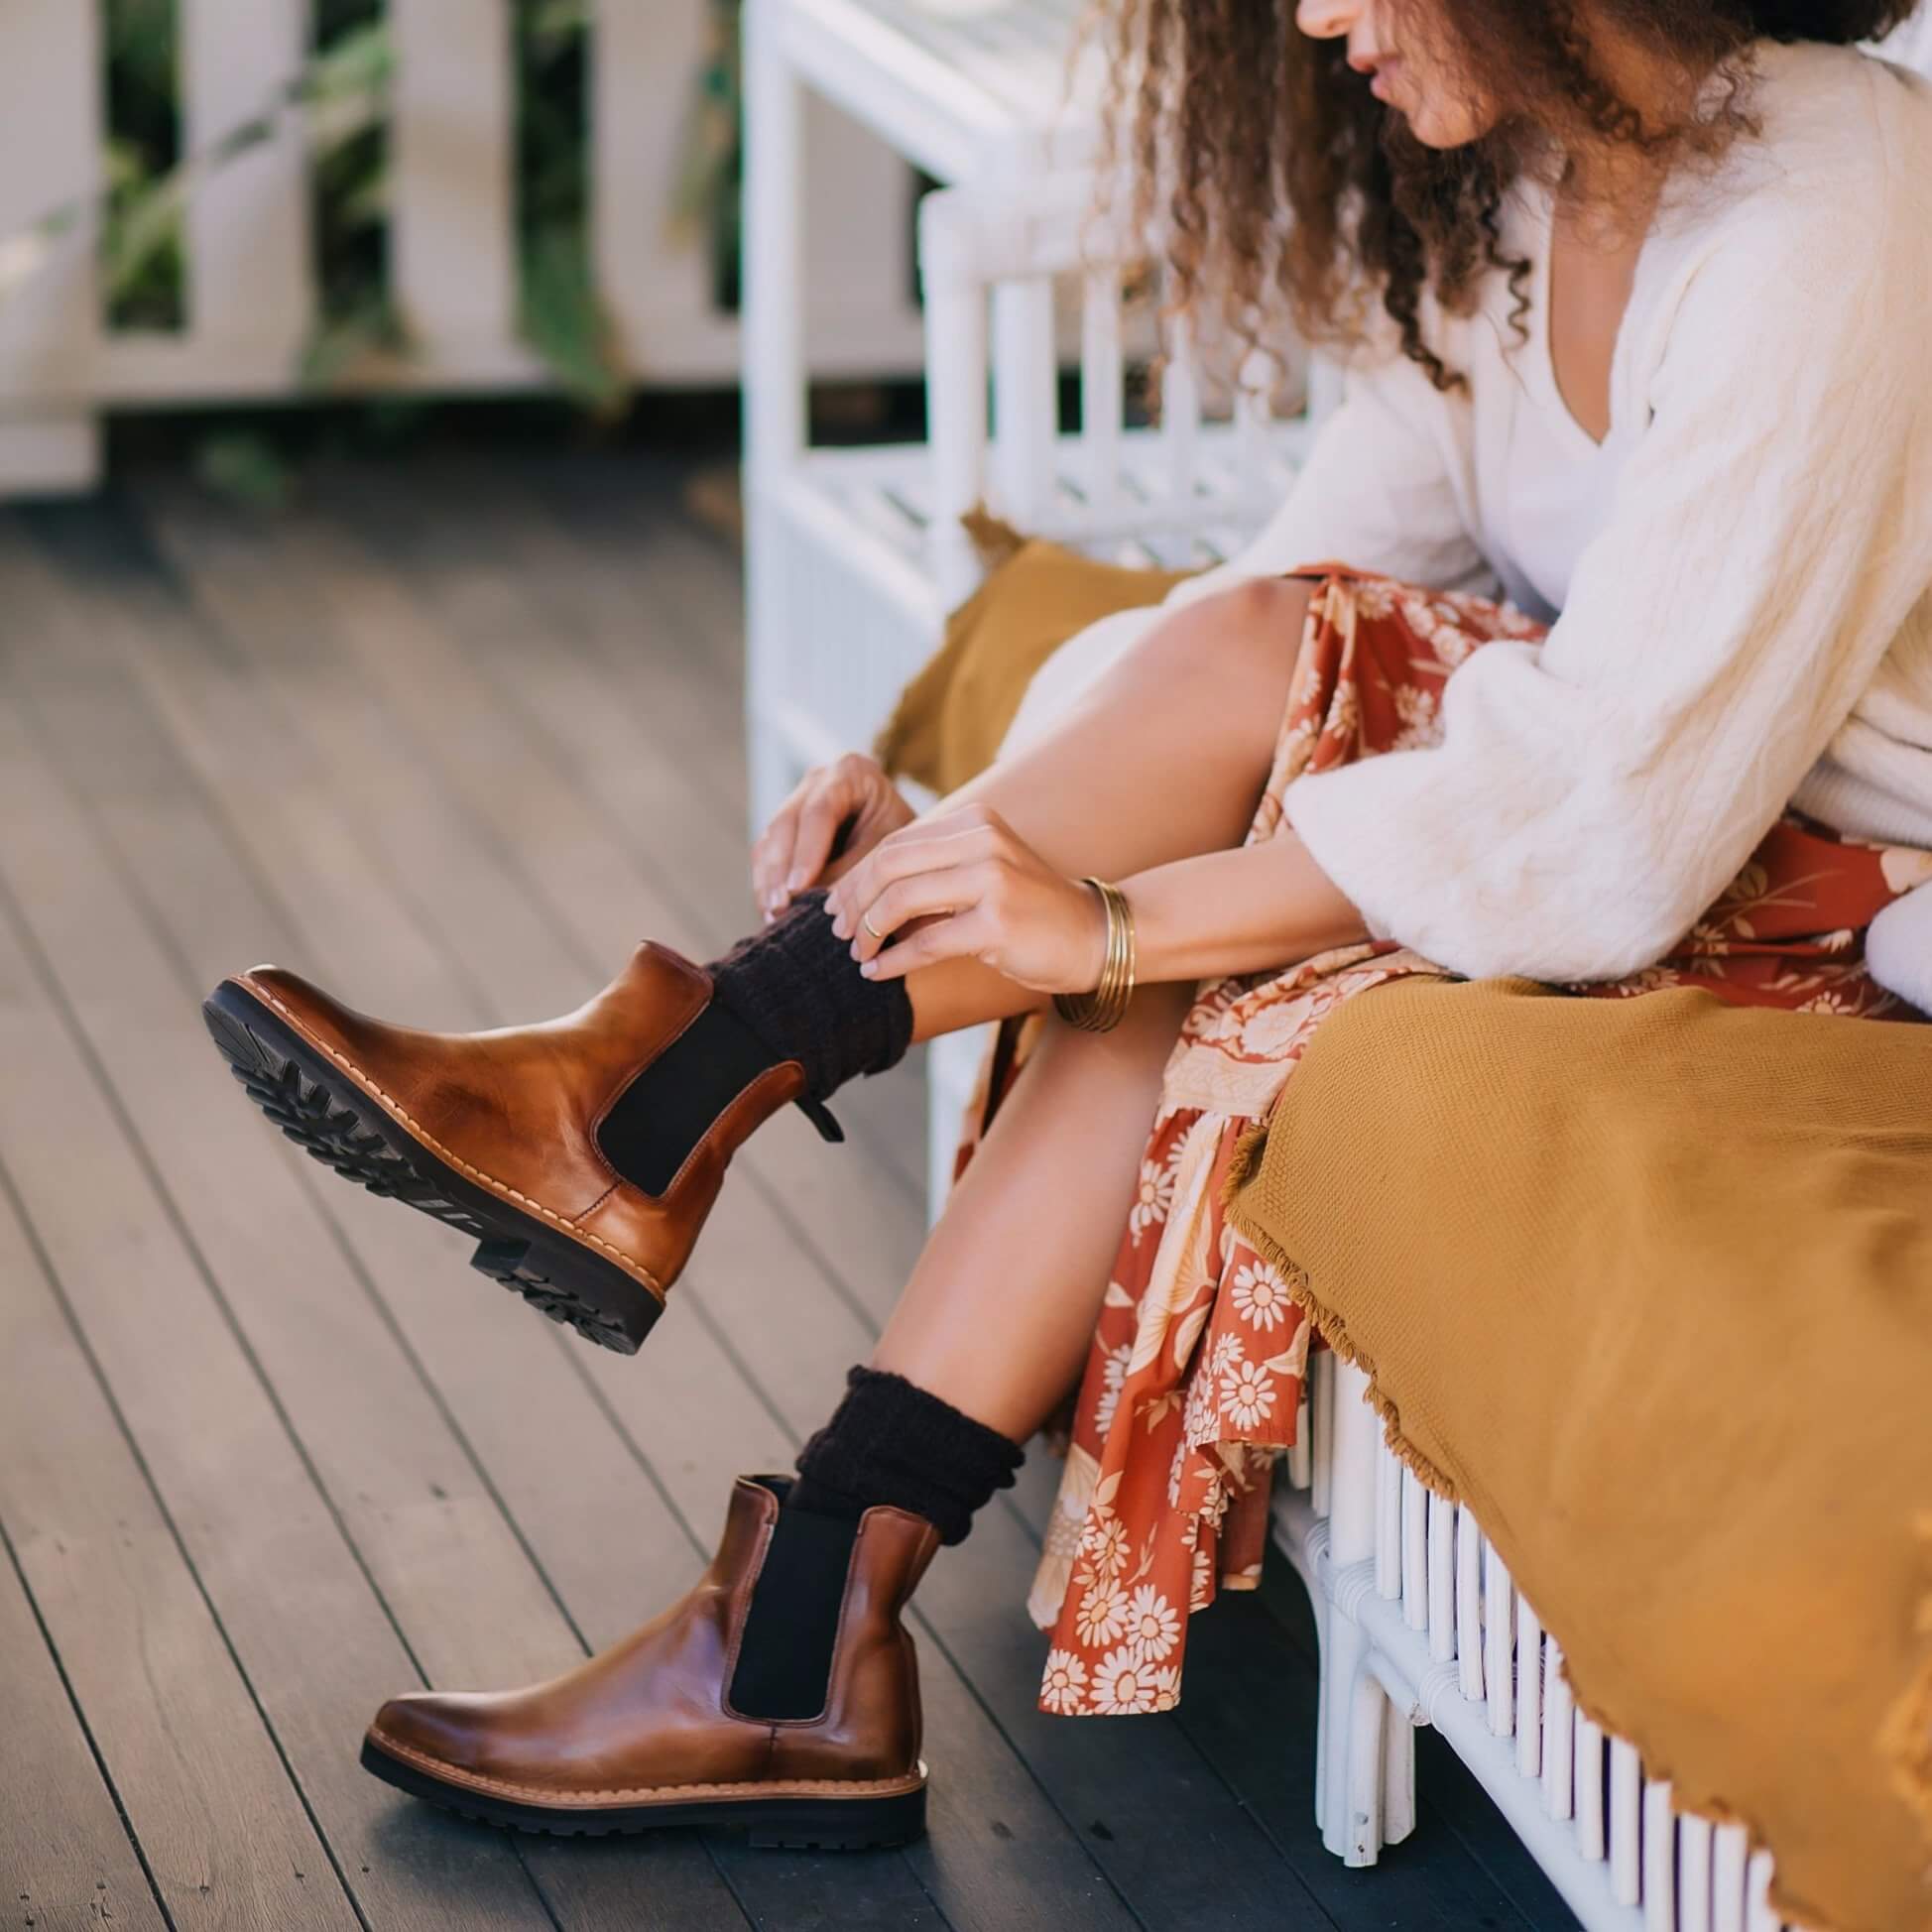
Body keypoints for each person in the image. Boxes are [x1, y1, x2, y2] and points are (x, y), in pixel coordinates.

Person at [201, 0, 1932, 1849]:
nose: (1312, 15)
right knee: (1203, 831)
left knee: (1167, 920)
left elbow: (1607, 810)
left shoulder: (1840, 209)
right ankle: (796, 1631)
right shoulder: (1523, 173)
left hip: (1831, 883)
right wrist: (970, 842)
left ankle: (655, 1122)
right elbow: (1293, 586)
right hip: (1667, 819)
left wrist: (1097, 921)